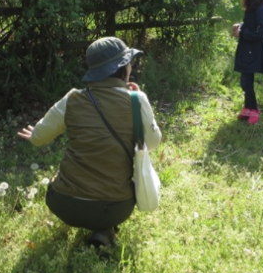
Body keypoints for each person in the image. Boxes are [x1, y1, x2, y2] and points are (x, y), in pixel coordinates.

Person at [17, 37, 162, 247]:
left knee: (59, 178)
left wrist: (34, 135)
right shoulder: (136, 100)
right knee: (113, 194)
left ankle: (98, 228)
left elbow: (38, 139)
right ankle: (104, 229)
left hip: (64, 205)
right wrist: (141, 99)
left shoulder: (72, 99)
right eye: (130, 61)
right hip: (116, 208)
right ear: (124, 69)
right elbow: (154, 142)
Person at [233, 0, 263, 125]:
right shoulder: (252, 7)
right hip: (246, 48)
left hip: (252, 50)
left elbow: (262, 31)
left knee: (245, 81)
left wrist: (243, 33)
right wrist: (241, 26)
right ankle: (247, 108)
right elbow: (251, 25)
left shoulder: (261, 9)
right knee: (246, 79)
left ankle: (254, 109)